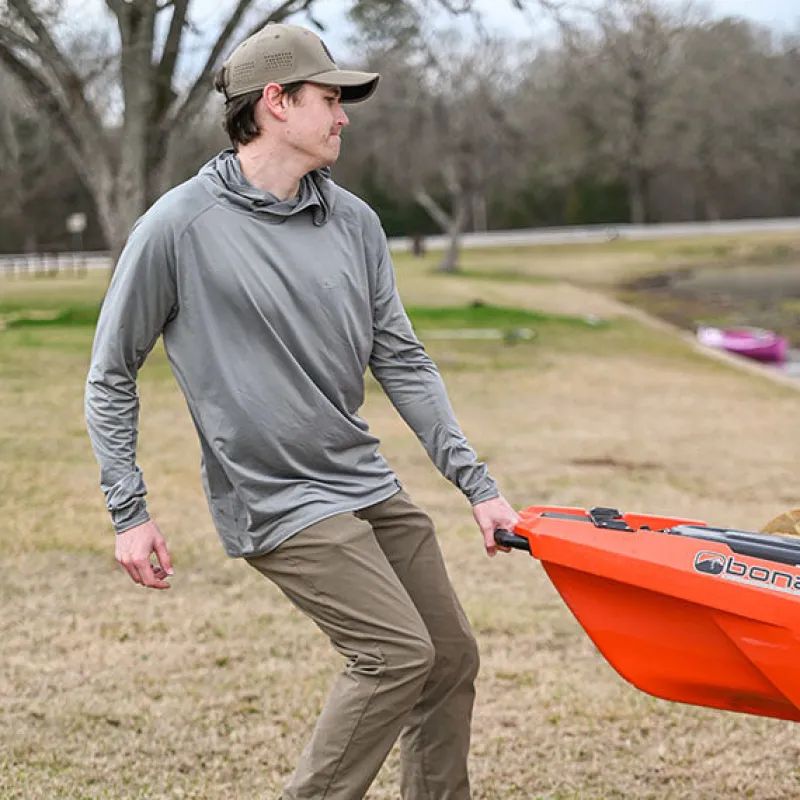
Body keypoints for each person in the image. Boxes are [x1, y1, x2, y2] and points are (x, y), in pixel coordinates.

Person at [85, 22, 519, 800]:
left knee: (449, 656)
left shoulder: (354, 222)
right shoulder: (177, 227)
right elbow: (111, 373)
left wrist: (477, 487)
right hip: (275, 495)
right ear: (276, 103)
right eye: (330, 98)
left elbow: (402, 360)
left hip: (361, 478)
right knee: (393, 655)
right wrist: (129, 511)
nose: (344, 116)